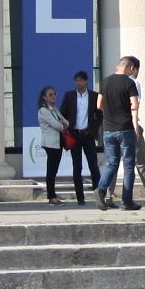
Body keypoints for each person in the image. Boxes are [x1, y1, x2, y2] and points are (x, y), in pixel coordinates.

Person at [98, 54, 142, 212]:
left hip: (108, 129)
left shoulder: (105, 81)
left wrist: (110, 113)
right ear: (129, 67)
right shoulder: (129, 83)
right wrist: (126, 113)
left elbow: (99, 104)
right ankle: (127, 201)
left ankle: (101, 190)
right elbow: (135, 105)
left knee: (112, 164)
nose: (133, 73)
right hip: (125, 129)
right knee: (129, 166)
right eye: (133, 70)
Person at [61, 71, 101, 203]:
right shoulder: (69, 96)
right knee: (77, 167)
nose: (78, 83)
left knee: (93, 165)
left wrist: (93, 130)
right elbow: (62, 113)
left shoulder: (94, 96)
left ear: (86, 81)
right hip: (75, 134)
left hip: (88, 134)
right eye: (76, 80)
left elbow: (100, 116)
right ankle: (80, 198)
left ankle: (98, 196)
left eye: (80, 80)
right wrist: (67, 128)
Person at [35, 85, 70, 204]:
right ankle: (51, 196)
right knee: (51, 170)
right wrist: (61, 124)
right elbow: (58, 126)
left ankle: (53, 195)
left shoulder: (54, 109)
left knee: (54, 170)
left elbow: (66, 123)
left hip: (58, 142)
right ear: (44, 97)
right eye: (50, 94)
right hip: (50, 144)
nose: (54, 96)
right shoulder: (43, 110)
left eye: (55, 94)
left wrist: (62, 123)